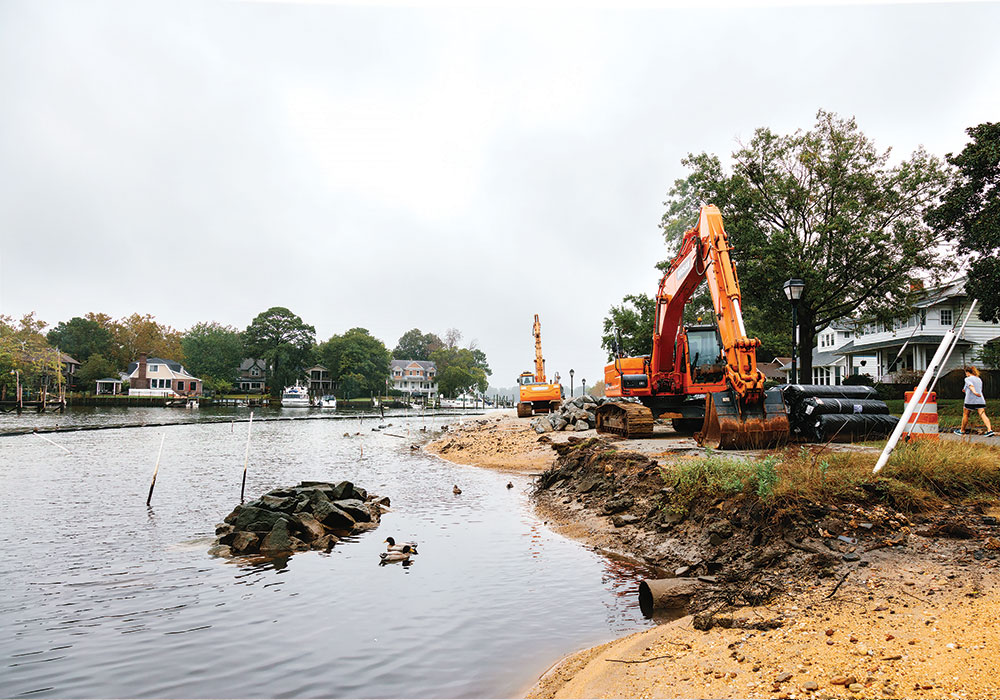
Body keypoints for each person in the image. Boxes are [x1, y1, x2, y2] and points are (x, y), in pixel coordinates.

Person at [954, 366, 994, 437]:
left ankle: (962, 430)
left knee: (966, 414)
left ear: (967, 372)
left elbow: (971, 386)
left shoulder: (967, 379)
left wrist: (974, 392)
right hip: (980, 400)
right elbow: (966, 388)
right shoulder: (979, 379)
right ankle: (989, 430)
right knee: (983, 414)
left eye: (965, 373)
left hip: (970, 401)